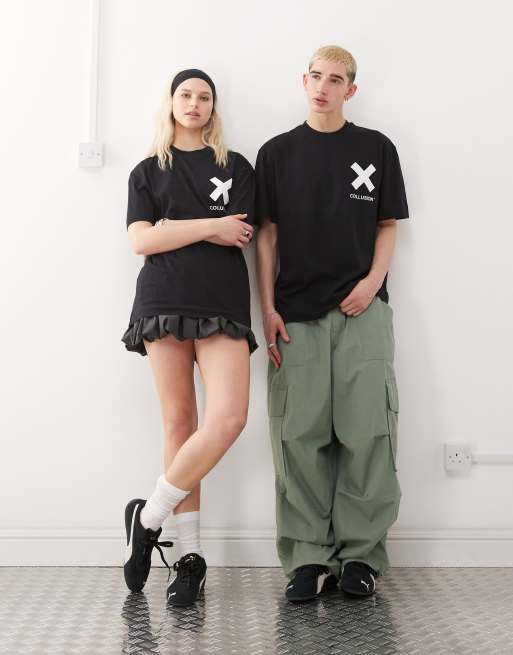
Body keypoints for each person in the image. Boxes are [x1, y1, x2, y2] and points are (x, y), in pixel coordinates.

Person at [254, 45, 409, 602]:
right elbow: (266, 237)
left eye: (336, 79)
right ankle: (307, 558)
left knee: (368, 433)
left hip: (362, 311)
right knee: (299, 437)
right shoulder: (276, 153)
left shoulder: (376, 148)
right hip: (295, 315)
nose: (323, 86)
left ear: (351, 89)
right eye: (316, 76)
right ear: (304, 81)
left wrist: (371, 282)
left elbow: (388, 223)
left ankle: (361, 557)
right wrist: (267, 308)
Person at [121, 68, 258, 606]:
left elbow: (240, 231)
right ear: (171, 102)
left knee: (228, 419)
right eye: (185, 94)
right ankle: (190, 557)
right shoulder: (147, 171)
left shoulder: (235, 166)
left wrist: (171, 228)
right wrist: (208, 226)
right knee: (180, 423)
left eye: (204, 96)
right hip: (163, 301)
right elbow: (139, 241)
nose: (194, 103)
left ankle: (148, 518)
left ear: (213, 108)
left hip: (222, 304)